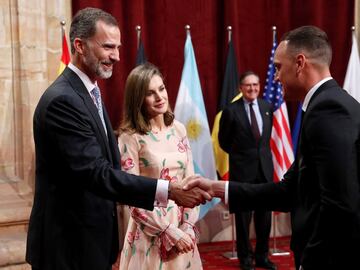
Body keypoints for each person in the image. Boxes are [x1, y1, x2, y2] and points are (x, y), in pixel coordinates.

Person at [25, 7, 209, 270]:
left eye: (119, 47)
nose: (117, 56)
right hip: (67, 246)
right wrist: (169, 191)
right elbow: (95, 173)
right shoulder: (62, 100)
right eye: (108, 47)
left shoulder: (88, 93)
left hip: (90, 241)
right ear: (79, 46)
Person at [184, 25, 360, 270]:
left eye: (278, 68)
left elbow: (341, 205)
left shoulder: (328, 109)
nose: (275, 78)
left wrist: (311, 262)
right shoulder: (326, 104)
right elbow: (290, 191)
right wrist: (217, 187)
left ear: (300, 63)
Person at [117, 63, 203, 269]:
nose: (159, 97)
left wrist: (188, 228)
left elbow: (193, 184)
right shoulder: (130, 137)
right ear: (137, 99)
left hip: (182, 229)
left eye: (161, 89)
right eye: (150, 93)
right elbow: (130, 194)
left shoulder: (180, 129)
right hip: (149, 232)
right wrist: (167, 231)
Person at [218, 71, 276, 270]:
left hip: (264, 172)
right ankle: (245, 259)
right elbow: (224, 142)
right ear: (241, 88)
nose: (252, 89)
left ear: (259, 86)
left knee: (264, 218)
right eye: (248, 85)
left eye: (256, 85)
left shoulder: (267, 107)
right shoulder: (231, 111)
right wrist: (242, 157)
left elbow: (265, 141)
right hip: (242, 173)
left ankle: (262, 257)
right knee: (243, 219)